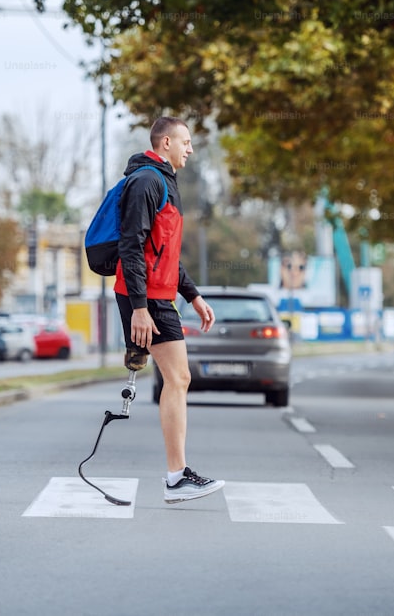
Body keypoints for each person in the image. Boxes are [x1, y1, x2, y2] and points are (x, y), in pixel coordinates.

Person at [115, 116, 224, 504]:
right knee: (178, 379)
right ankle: (176, 477)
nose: (190, 149)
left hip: (159, 296)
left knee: (179, 379)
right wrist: (140, 309)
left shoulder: (164, 182)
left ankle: (177, 475)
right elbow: (131, 246)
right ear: (165, 142)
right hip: (145, 298)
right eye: (186, 141)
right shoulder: (147, 182)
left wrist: (193, 296)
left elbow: (164, 255)